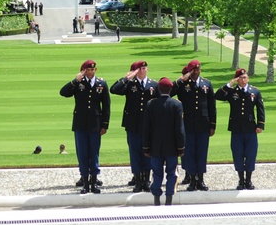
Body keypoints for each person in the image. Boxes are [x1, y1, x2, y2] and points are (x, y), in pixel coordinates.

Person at [59, 59, 110, 194]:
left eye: (93, 70)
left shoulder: (101, 84)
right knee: (82, 153)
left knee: (94, 153)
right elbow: (63, 92)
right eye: (88, 70)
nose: (91, 72)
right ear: (84, 71)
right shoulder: (78, 83)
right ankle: (85, 182)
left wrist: (105, 124)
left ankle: (94, 181)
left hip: (95, 124)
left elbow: (106, 106)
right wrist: (75, 80)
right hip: (81, 124)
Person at [110, 60, 159, 192]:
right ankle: (138, 180)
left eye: (144, 68)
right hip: (133, 124)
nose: (143, 70)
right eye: (140, 68)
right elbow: (114, 89)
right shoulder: (129, 84)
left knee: (148, 153)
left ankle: (147, 180)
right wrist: (127, 77)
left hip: (149, 125)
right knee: (135, 153)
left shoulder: (154, 84)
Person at [215, 68, 265, 190]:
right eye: (241, 78)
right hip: (236, 129)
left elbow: (260, 109)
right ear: (237, 79)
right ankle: (241, 180)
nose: (243, 80)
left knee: (250, 155)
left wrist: (260, 125)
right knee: (238, 155)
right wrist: (229, 84)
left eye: (245, 77)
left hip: (250, 128)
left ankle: (248, 180)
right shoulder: (232, 92)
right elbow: (217, 96)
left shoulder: (255, 92)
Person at [171, 59, 216, 191]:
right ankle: (191, 180)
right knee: (189, 153)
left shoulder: (206, 83)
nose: (196, 71)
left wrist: (212, 125)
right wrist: (180, 80)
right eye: (194, 70)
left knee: (202, 153)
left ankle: (200, 179)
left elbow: (211, 106)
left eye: (198, 69)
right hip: (188, 124)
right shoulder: (183, 84)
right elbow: (169, 92)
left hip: (203, 124)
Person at [142, 77, 185, 206]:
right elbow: (179, 128)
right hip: (172, 147)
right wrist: (181, 147)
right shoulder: (176, 104)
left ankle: (156, 199)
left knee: (157, 173)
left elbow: (146, 128)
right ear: (171, 89)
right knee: (172, 172)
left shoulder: (151, 104)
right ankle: (169, 199)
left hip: (155, 146)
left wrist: (146, 147)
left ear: (158, 90)